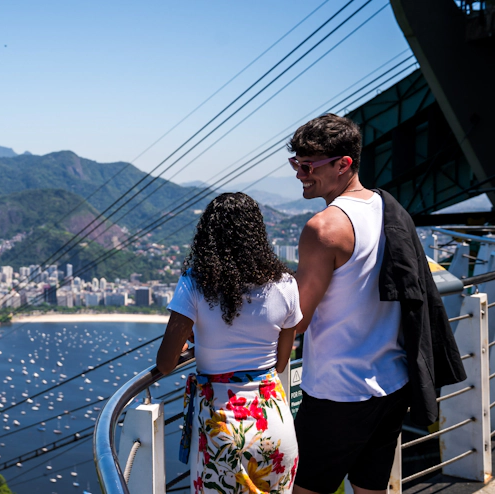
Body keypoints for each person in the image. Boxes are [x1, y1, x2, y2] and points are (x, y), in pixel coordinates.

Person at [288, 114, 465, 494]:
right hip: (392, 381)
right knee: (371, 489)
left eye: (307, 166)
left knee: (303, 489)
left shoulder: (324, 228)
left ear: (343, 164)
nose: (300, 174)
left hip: (339, 391)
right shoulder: (388, 209)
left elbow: (297, 318)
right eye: (295, 164)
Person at [157, 192, 301, 494]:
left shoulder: (194, 283)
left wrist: (192, 342)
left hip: (222, 429)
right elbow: (281, 361)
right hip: (274, 424)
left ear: (207, 237)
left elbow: (165, 363)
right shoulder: (286, 284)